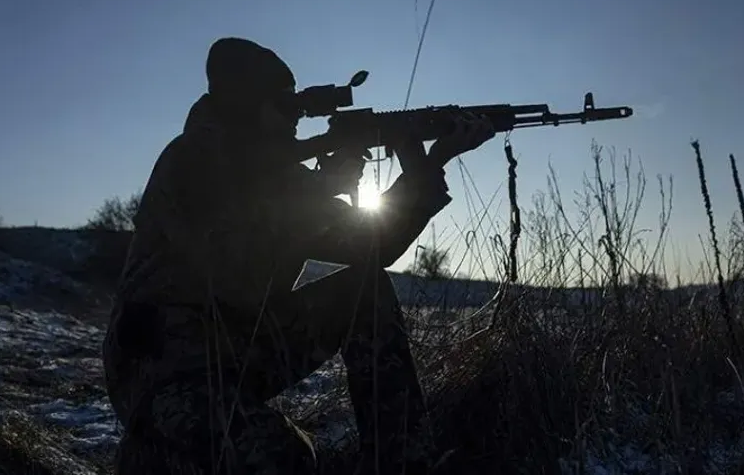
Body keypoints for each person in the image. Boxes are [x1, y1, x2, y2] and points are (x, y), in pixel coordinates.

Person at [102, 37, 494, 474]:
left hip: (235, 354)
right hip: (163, 373)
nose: (296, 118)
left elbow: (370, 249)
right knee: (282, 459)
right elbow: (236, 274)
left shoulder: (286, 175)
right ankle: (151, 452)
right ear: (243, 106)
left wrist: (427, 165)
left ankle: (401, 462)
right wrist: (317, 192)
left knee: (362, 284)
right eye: (283, 106)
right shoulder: (188, 162)